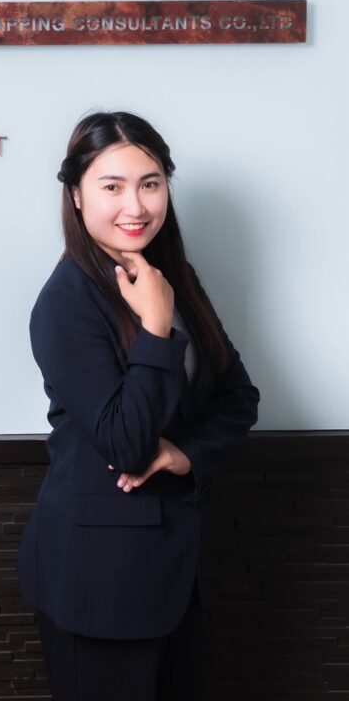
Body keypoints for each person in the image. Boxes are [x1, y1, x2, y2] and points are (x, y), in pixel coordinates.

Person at [16, 110, 260, 701]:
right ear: (76, 195)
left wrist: (187, 454)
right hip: (101, 578)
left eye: (150, 183)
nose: (136, 206)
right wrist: (154, 326)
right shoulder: (66, 302)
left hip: (178, 569)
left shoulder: (172, 276)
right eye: (112, 186)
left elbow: (238, 395)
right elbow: (125, 444)